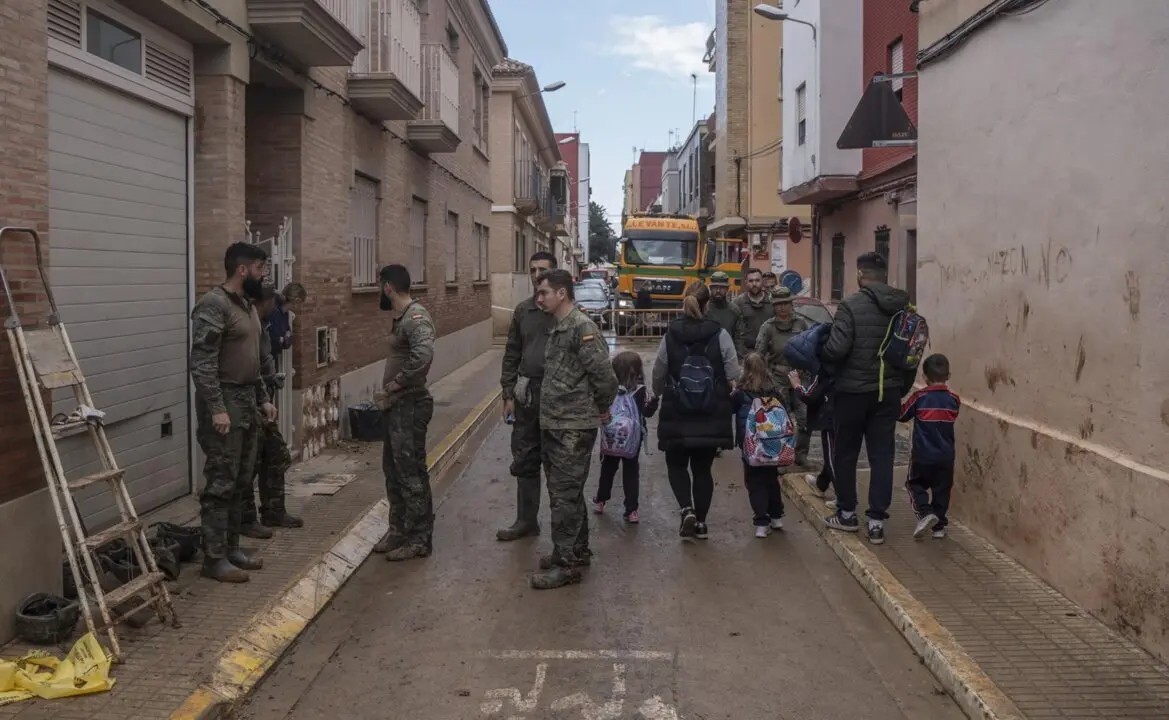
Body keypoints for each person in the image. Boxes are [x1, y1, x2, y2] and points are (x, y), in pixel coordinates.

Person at [190, 242, 278, 583]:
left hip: (247, 402)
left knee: (241, 480)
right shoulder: (213, 305)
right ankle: (213, 559)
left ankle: (232, 549)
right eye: (260, 268)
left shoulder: (247, 306)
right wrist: (217, 408)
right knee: (221, 483)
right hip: (224, 402)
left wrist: (263, 398)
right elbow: (202, 363)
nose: (264, 274)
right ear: (243, 270)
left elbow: (253, 361)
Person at [531, 269, 619, 590]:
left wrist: (603, 407)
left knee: (563, 498)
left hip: (572, 427)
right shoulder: (559, 327)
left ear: (561, 293)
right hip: (556, 424)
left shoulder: (582, 328)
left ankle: (565, 565)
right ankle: (576, 550)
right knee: (566, 492)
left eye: (544, 292)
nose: (539, 298)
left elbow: (604, 377)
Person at [820, 251, 912, 545]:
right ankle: (876, 522)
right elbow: (911, 353)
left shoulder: (850, 305)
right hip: (888, 393)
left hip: (852, 392)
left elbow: (837, 349)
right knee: (882, 456)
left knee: (846, 453)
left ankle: (847, 514)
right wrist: (900, 388)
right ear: (884, 275)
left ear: (860, 274)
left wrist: (822, 352)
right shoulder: (903, 306)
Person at [652, 281, 740, 540]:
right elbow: (733, 371)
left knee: (676, 464)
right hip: (710, 411)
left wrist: (658, 392)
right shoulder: (719, 334)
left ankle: (686, 509)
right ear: (706, 304)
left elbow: (659, 371)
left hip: (677, 411)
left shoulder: (671, 334)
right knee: (703, 469)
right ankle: (701, 523)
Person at [372, 264, 436, 562]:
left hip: (409, 405)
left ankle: (419, 538)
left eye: (380, 286)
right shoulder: (402, 318)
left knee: (410, 473)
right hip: (397, 407)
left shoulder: (416, 317)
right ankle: (398, 531)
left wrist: (396, 384)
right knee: (393, 470)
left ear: (388, 287)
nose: (379, 292)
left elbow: (423, 357)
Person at [497, 251, 558, 542]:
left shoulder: (565, 310)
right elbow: (512, 353)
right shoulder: (523, 311)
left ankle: (564, 531)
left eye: (542, 270)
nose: (536, 275)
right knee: (525, 458)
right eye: (532, 270)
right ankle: (526, 521)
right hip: (528, 398)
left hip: (558, 398)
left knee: (558, 464)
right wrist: (508, 394)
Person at [240, 286, 303, 539]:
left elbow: (266, 358)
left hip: (264, 398)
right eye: (269, 305)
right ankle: (245, 520)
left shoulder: (264, 324)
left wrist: (269, 384)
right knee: (248, 463)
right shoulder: (245, 326)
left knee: (276, 454)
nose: (273, 309)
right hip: (247, 402)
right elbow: (246, 368)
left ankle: (274, 511)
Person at [899, 354, 960, 540]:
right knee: (942, 491)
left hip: (922, 455)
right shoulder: (954, 400)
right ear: (948, 376)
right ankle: (939, 527)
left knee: (913, 484)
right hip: (946, 456)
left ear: (924, 377)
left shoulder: (919, 397)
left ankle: (925, 513)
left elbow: (902, 415)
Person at [593, 351, 658, 523]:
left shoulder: (611, 390)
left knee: (608, 468)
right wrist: (654, 402)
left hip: (613, 436)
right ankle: (631, 510)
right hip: (633, 439)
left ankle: (600, 500)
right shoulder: (640, 391)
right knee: (631, 472)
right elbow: (646, 413)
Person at [732, 354, 786, 538]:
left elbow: (729, 408)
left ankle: (761, 522)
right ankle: (776, 516)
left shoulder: (740, 393)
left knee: (754, 481)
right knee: (771, 479)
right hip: (772, 443)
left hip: (751, 444)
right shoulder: (774, 391)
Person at [755, 287, 811, 466]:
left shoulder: (801, 324)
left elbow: (811, 348)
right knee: (779, 421)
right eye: (778, 304)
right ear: (773, 306)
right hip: (777, 378)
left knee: (805, 418)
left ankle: (800, 455)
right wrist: (764, 377)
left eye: (785, 303)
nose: (782, 307)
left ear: (791, 303)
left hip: (799, 377)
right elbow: (758, 354)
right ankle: (781, 457)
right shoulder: (768, 327)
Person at [789, 365, 837, 500]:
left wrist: (797, 386)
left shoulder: (826, 367)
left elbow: (809, 395)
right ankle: (821, 484)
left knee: (833, 457)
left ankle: (843, 501)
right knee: (839, 454)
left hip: (832, 416)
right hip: (854, 410)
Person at [704, 271, 746, 358]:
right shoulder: (704, 309)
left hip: (728, 355)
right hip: (707, 355)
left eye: (722, 287)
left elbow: (739, 337)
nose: (718, 290)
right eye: (715, 287)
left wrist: (739, 357)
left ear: (727, 289)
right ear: (711, 289)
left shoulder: (734, 310)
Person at [734, 268, 770, 355]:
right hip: (746, 353)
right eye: (751, 281)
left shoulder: (772, 301)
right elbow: (734, 330)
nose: (754, 284)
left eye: (757, 280)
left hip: (769, 353)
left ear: (762, 281)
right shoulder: (738, 303)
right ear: (746, 282)